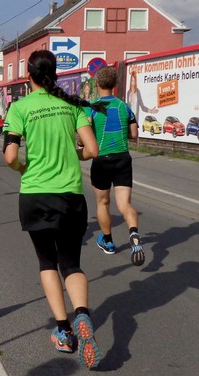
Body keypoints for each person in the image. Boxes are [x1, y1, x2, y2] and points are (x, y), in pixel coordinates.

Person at [2, 49, 104, 370]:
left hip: (35, 195)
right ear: (54, 73)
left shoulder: (19, 107)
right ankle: (82, 315)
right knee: (71, 263)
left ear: (28, 75)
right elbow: (92, 149)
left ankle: (63, 330)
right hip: (70, 195)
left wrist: (22, 168)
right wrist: (75, 154)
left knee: (47, 262)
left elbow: (9, 156)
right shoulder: (72, 105)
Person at [87, 66, 145, 266]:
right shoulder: (124, 106)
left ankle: (108, 242)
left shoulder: (92, 107)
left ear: (97, 83)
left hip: (101, 159)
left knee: (103, 203)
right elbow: (134, 134)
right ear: (115, 85)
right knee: (124, 204)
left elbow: (84, 137)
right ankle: (134, 233)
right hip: (122, 158)